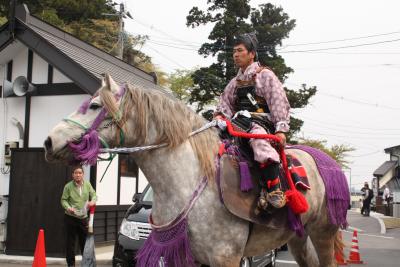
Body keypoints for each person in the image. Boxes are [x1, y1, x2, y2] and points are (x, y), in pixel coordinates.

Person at [214, 32, 290, 211]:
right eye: (234, 51)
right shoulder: (235, 82)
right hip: (238, 123)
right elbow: (224, 104)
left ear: (251, 54)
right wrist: (219, 116)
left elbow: (278, 100)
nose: (235, 55)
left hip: (262, 123)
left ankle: (274, 188)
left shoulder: (265, 76)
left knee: (257, 139)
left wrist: (281, 129)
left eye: (240, 50)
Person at [61, 165, 97, 267]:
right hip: (70, 218)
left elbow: (94, 194)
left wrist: (92, 202)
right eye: (76, 173)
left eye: (80, 173)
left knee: (84, 243)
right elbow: (63, 200)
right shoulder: (68, 186)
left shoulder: (87, 184)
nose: (78, 175)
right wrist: (68, 208)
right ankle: (71, 264)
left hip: (83, 218)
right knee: (70, 243)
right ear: (73, 175)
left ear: (83, 175)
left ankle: (85, 263)